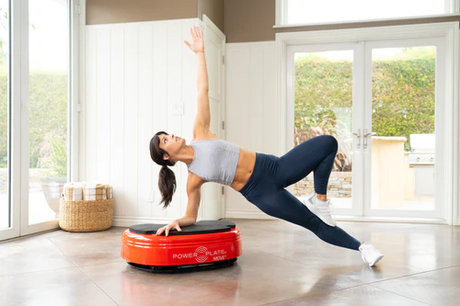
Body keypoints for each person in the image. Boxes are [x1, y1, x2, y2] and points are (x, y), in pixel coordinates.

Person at [149, 26, 383, 267]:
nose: (171, 135)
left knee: (328, 143)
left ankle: (320, 200)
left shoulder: (200, 131)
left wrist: (200, 53)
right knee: (314, 223)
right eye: (165, 140)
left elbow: (202, 90)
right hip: (260, 193)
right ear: (167, 157)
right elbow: (191, 215)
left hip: (273, 167)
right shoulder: (193, 178)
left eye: (167, 134)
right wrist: (177, 221)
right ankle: (363, 248)